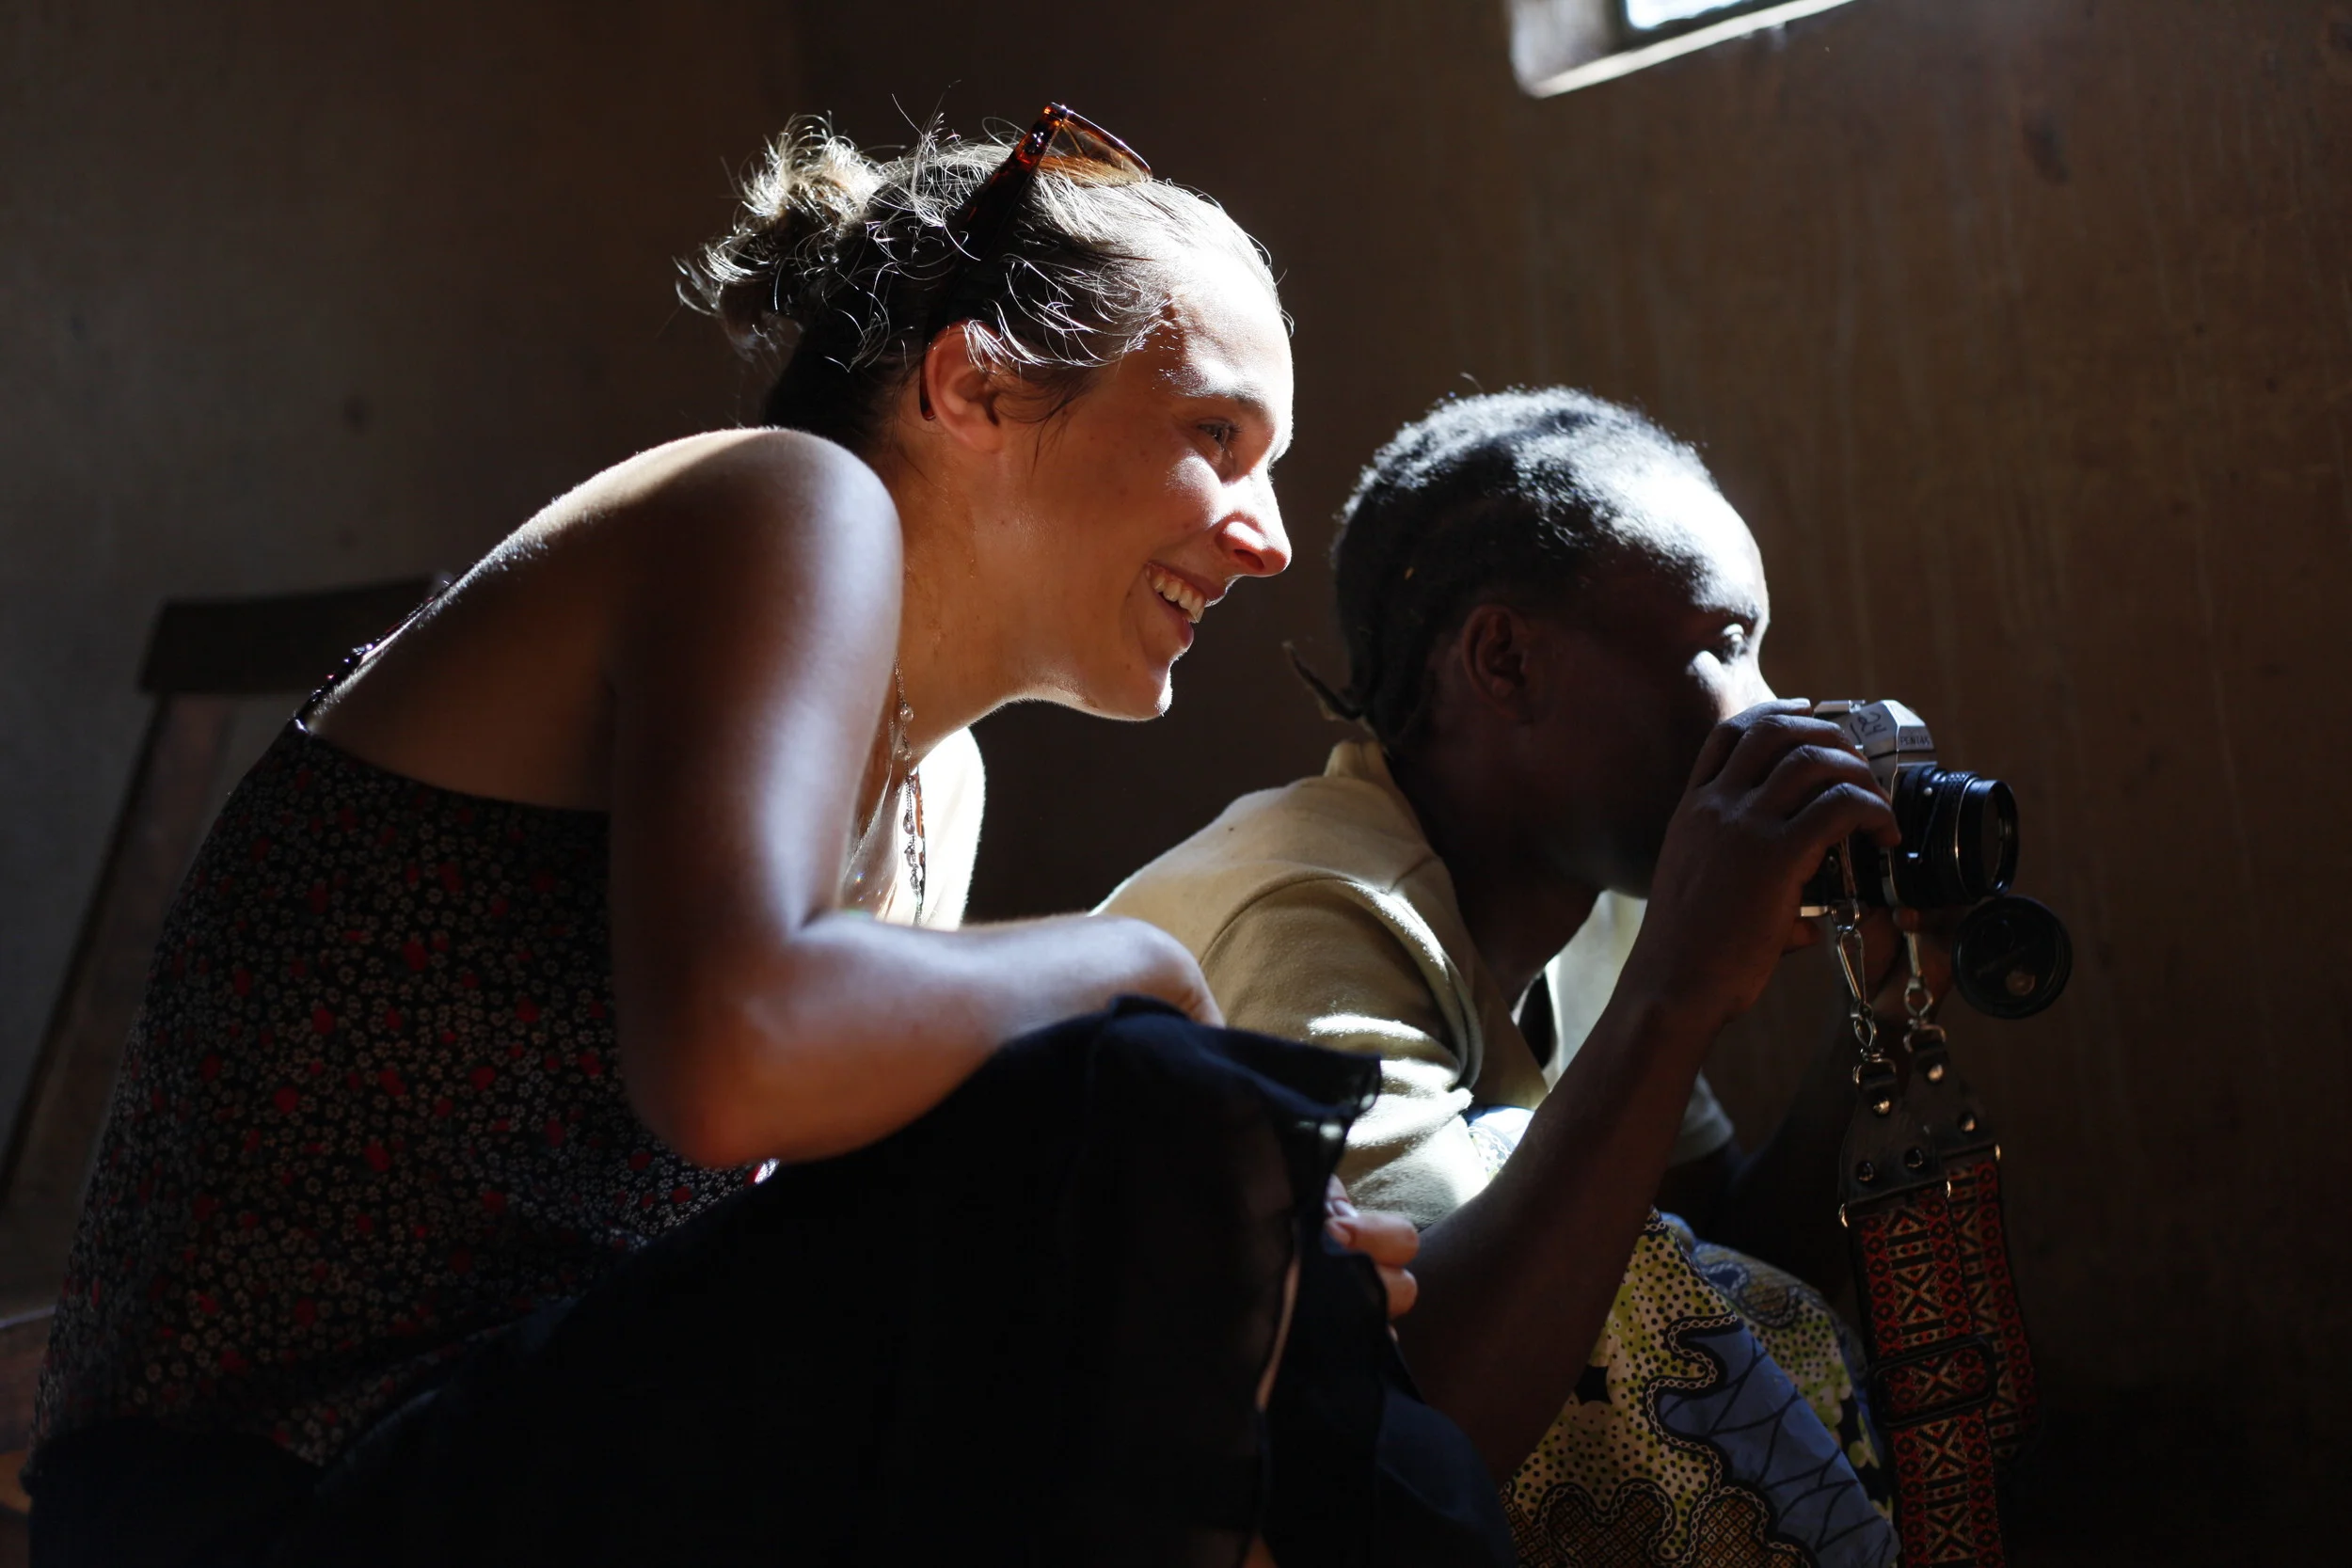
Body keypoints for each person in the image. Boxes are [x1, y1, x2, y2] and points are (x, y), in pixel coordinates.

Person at [24, 109, 1510, 1567]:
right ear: (975, 388)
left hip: (541, 1455)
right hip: (269, 1497)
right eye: (1215, 436)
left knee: (1237, 1260)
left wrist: (1253, 1239)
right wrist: (1143, 979)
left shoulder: (938, 785)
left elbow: (828, 1252)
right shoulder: (778, 498)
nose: (1266, 535)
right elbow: (734, 1051)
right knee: (1138, 1095)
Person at [1103, 389, 1955, 1566]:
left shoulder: (1602, 898)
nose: (1767, 709)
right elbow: (1414, 1429)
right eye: (1721, 646)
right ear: (1503, 660)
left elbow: (1725, 1315)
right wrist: (1676, 993)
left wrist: (1887, 1024)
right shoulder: (1310, 912)